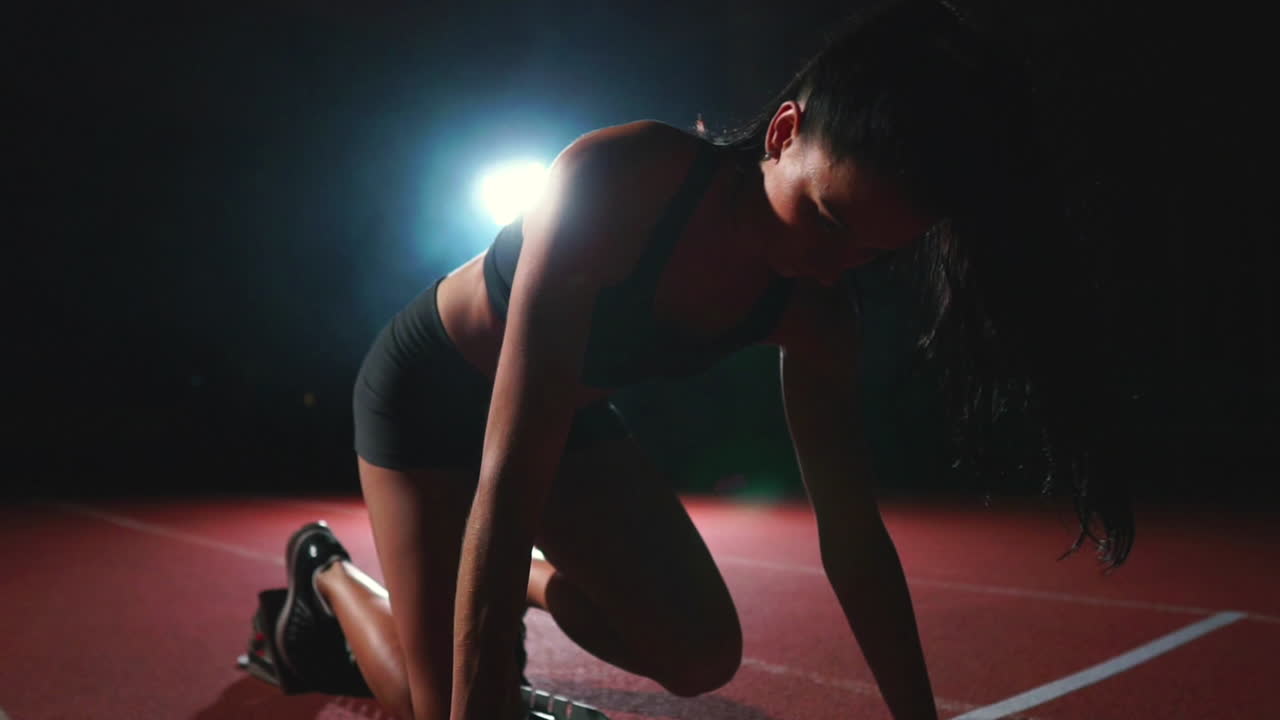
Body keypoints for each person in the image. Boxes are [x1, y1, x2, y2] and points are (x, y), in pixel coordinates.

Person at [264, 1, 1135, 719]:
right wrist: (477, 699)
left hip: (558, 410)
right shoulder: (623, 179)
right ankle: (327, 570)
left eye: (870, 253)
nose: (832, 268)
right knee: (436, 701)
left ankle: (507, 583)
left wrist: (917, 715)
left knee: (701, 653)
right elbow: (510, 463)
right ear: (785, 131)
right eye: (829, 222)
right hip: (430, 397)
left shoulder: (819, 307)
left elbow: (852, 535)